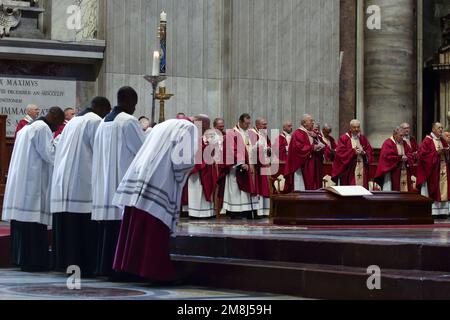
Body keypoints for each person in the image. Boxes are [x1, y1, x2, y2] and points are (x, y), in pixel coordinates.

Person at [112, 117, 199, 282]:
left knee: (135, 225)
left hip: (142, 175)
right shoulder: (189, 128)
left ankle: (130, 268)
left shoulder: (162, 126)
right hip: (161, 180)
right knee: (155, 227)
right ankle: (155, 272)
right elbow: (182, 162)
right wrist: (183, 175)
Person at [50, 97, 112, 275]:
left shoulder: (73, 121)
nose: (106, 114)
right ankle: (84, 266)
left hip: (66, 180)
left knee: (69, 227)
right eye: (106, 111)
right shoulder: (95, 121)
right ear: (100, 107)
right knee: (82, 227)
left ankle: (66, 264)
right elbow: (100, 151)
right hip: (83, 181)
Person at [91, 87, 145, 276]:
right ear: (129, 100)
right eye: (135, 103)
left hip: (104, 184)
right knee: (120, 225)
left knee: (108, 226)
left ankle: (104, 267)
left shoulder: (104, 121)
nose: (135, 108)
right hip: (122, 181)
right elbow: (142, 150)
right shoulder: (128, 121)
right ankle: (120, 269)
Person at [3, 107, 64, 272]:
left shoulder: (26, 128)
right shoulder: (42, 128)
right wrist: (60, 140)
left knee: (22, 223)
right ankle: (34, 261)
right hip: (33, 184)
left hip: (22, 183)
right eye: (58, 124)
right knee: (33, 222)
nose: (57, 128)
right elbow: (50, 155)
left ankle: (20, 259)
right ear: (54, 117)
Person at [219, 113, 259, 219]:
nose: (248, 126)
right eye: (246, 123)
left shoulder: (248, 133)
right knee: (236, 189)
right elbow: (231, 150)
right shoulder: (232, 133)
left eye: (249, 123)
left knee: (247, 189)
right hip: (236, 167)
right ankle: (235, 211)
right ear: (240, 122)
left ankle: (247, 211)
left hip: (249, 164)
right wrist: (241, 163)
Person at [186, 115, 217, 219]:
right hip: (196, 168)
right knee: (196, 190)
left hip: (207, 167)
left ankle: (207, 212)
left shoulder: (207, 135)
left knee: (205, 189)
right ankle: (195, 213)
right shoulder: (192, 135)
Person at [417, 122, 450, 219]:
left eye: (442, 128)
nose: (441, 129)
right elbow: (423, 156)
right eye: (439, 128)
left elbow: (446, 153)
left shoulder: (442, 141)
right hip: (433, 171)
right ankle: (434, 211)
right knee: (435, 189)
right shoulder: (427, 141)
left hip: (443, 168)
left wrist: (446, 152)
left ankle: (443, 211)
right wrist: (436, 153)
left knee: (444, 188)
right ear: (433, 129)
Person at [284, 114, 325, 192]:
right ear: (304, 123)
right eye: (311, 121)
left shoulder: (312, 133)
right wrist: (313, 147)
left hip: (313, 166)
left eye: (313, 121)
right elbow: (298, 149)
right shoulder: (298, 133)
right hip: (302, 167)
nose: (313, 122)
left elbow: (323, 145)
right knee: (302, 189)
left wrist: (316, 138)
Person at [332, 119, 373, 189]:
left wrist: (364, 153)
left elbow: (369, 151)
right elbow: (340, 153)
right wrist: (353, 152)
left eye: (358, 127)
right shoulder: (344, 138)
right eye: (354, 127)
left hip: (361, 168)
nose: (356, 129)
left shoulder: (363, 139)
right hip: (349, 171)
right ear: (350, 128)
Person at [374, 127, 414, 192]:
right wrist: (400, 158)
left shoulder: (404, 143)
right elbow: (387, 157)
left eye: (403, 135)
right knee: (393, 189)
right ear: (395, 135)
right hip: (392, 171)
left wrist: (407, 157)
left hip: (404, 170)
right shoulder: (388, 143)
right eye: (401, 135)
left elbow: (410, 153)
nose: (402, 137)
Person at [251, 118, 272, 217]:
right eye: (264, 124)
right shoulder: (252, 133)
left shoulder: (263, 133)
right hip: (257, 165)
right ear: (258, 125)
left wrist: (268, 149)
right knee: (260, 186)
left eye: (266, 124)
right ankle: (258, 211)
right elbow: (252, 149)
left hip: (265, 163)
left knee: (265, 186)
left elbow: (268, 145)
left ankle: (265, 211)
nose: (266, 126)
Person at [272, 121, 293, 192]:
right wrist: (288, 148)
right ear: (284, 127)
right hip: (283, 163)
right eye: (289, 126)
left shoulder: (290, 136)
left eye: (291, 126)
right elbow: (276, 149)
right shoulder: (280, 137)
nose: (291, 128)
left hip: (290, 163)